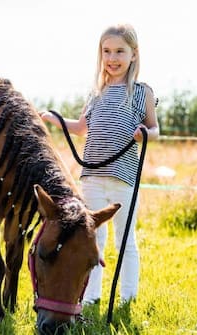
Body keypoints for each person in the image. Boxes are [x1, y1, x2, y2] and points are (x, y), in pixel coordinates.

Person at [40, 23, 159, 305]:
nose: (112, 58)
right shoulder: (96, 93)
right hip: (92, 177)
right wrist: (55, 119)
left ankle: (128, 297)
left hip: (123, 179)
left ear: (134, 54)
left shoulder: (143, 93)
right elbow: (82, 127)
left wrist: (145, 134)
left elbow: (155, 130)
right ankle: (91, 296)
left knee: (125, 240)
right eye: (107, 51)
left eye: (120, 51)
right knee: (93, 240)